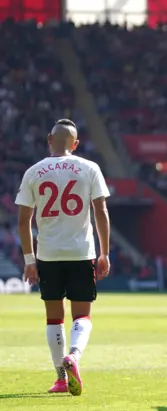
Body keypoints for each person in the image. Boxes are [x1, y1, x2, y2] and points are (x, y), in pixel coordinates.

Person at [15, 119, 111, 396]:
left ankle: (60, 377)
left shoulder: (34, 171)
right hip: (81, 252)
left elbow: (24, 221)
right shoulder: (89, 168)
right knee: (82, 315)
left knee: (53, 318)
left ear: (49, 139)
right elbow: (100, 213)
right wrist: (104, 252)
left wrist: (30, 260)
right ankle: (75, 356)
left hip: (48, 254)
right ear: (76, 144)